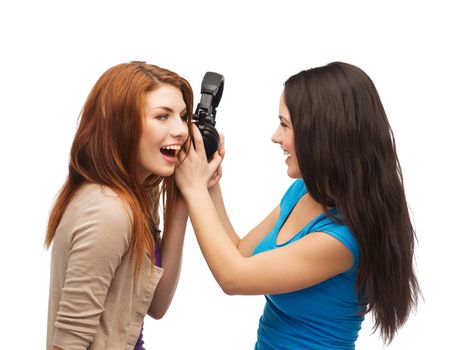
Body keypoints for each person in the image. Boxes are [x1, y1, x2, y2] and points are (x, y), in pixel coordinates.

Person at [175, 62, 420, 349]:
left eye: (285, 125)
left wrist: (193, 190)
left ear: (323, 133)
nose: (275, 137)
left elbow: (233, 277)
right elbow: (240, 254)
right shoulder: (303, 191)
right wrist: (209, 184)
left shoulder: (343, 239)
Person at [45, 61, 196, 350]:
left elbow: (156, 303)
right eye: (162, 117)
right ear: (121, 125)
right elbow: (67, 343)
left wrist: (184, 194)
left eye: (183, 116)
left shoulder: (138, 196)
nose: (182, 130)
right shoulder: (108, 212)